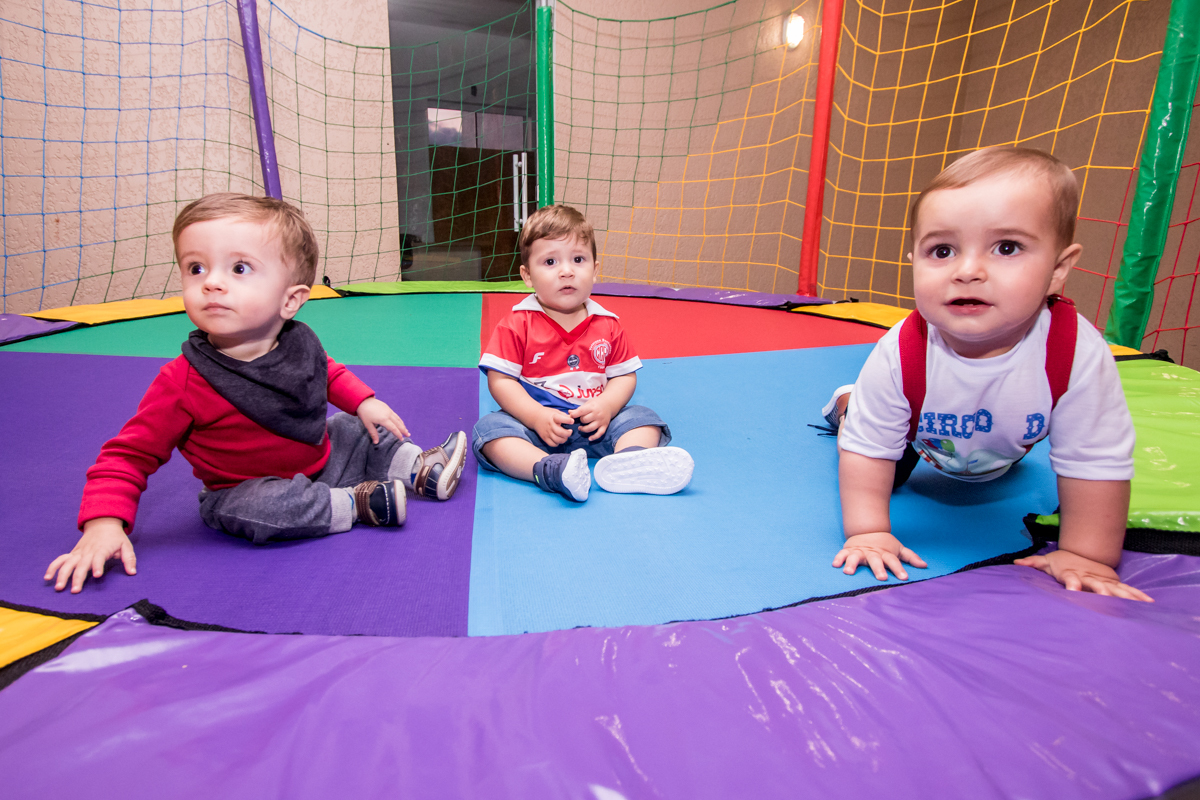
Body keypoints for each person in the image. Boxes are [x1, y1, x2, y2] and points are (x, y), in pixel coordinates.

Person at [46, 193, 467, 593]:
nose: (212, 283)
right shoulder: (183, 381)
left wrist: (363, 400)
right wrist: (104, 522)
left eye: (239, 269)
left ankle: (420, 469)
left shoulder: (298, 341)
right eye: (196, 268)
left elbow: (326, 372)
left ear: (291, 300)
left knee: (354, 427)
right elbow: (127, 455)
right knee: (262, 510)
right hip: (248, 488)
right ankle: (358, 504)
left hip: (321, 459)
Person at [823, 147, 1151, 602]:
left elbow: (1095, 460)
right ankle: (848, 403)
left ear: (1058, 269)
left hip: (999, 449)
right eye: (942, 251)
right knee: (870, 447)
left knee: (993, 463)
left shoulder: (1074, 352)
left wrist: (1086, 554)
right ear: (914, 261)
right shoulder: (902, 351)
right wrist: (869, 532)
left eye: (1006, 248)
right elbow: (869, 451)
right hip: (922, 439)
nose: (968, 271)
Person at [474, 204, 693, 502]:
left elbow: (624, 377)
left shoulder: (608, 324)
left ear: (595, 269)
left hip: (596, 427)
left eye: (578, 259)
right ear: (527, 275)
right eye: (550, 262)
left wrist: (607, 406)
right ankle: (549, 469)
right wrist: (536, 417)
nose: (567, 271)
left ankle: (629, 461)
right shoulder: (517, 323)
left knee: (644, 418)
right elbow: (500, 381)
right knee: (489, 431)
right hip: (537, 427)